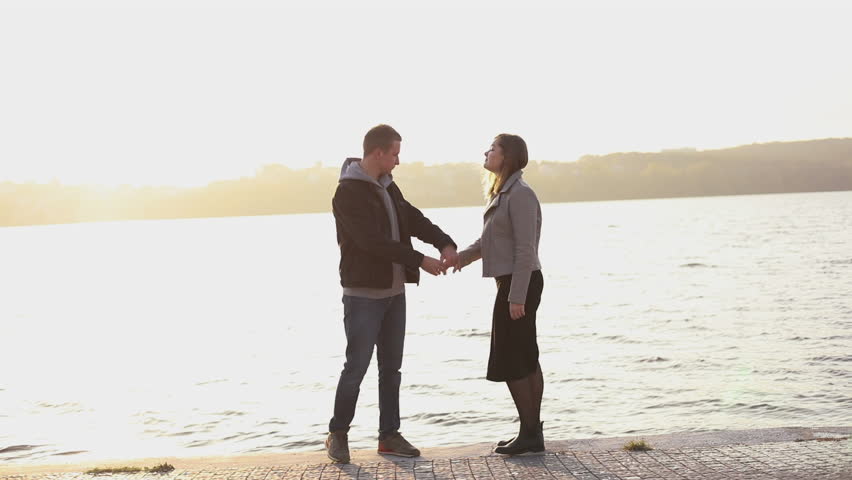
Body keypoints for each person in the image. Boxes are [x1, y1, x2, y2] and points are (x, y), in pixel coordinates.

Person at [326, 124, 458, 463]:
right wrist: (420, 260)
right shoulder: (347, 193)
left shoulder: (388, 187)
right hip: (362, 296)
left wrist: (444, 242)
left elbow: (412, 219)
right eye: (395, 154)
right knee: (355, 367)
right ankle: (338, 434)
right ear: (378, 153)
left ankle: (389, 436)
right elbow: (371, 241)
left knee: (391, 368)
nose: (398, 161)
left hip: (394, 293)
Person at [451, 133, 545, 455]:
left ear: (507, 156)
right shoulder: (503, 193)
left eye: (493, 148)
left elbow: (525, 249)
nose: (487, 152)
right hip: (515, 282)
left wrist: (516, 295)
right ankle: (531, 432)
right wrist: (459, 259)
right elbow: (487, 243)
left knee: (513, 357)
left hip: (520, 282)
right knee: (524, 355)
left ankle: (530, 432)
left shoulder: (519, 194)